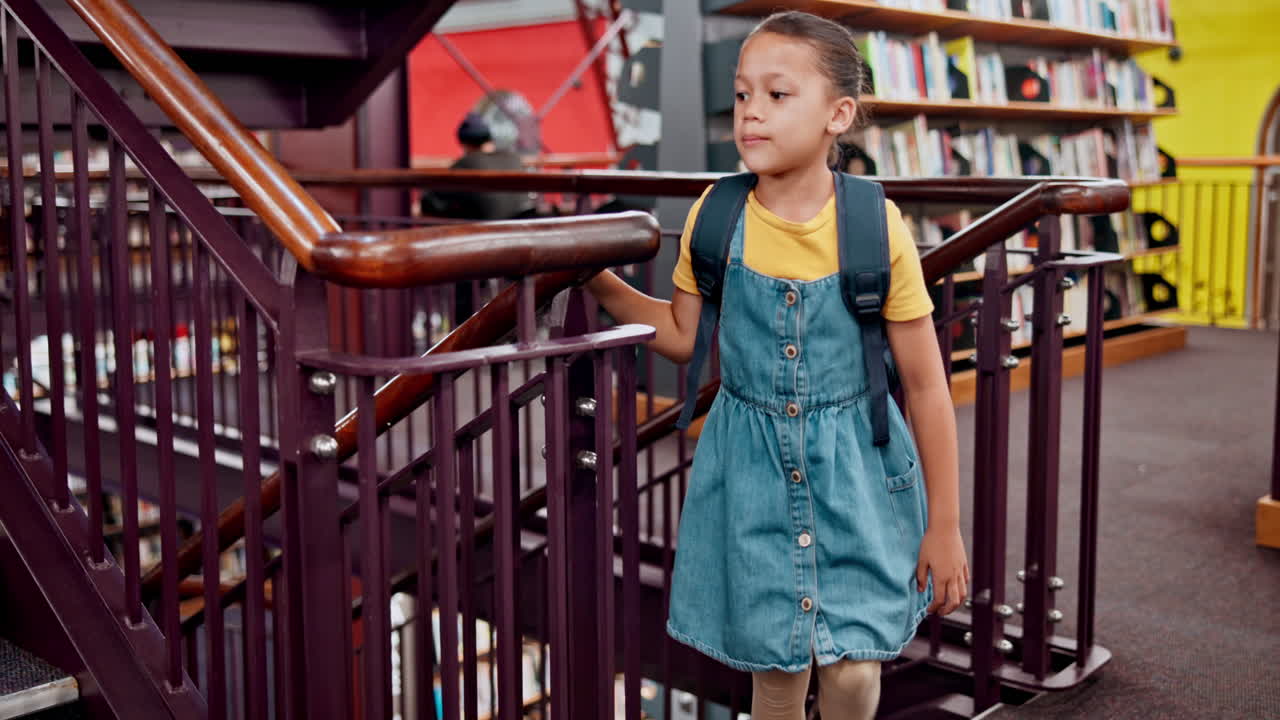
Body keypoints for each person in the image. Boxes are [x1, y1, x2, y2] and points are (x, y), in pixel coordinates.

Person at [584, 11, 967, 720]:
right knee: (777, 674)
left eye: (778, 94)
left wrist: (943, 526)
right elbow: (678, 333)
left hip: (858, 469)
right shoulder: (717, 212)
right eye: (741, 94)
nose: (751, 111)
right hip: (749, 472)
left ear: (838, 114)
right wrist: (598, 280)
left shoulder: (872, 224)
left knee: (852, 672)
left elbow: (924, 386)